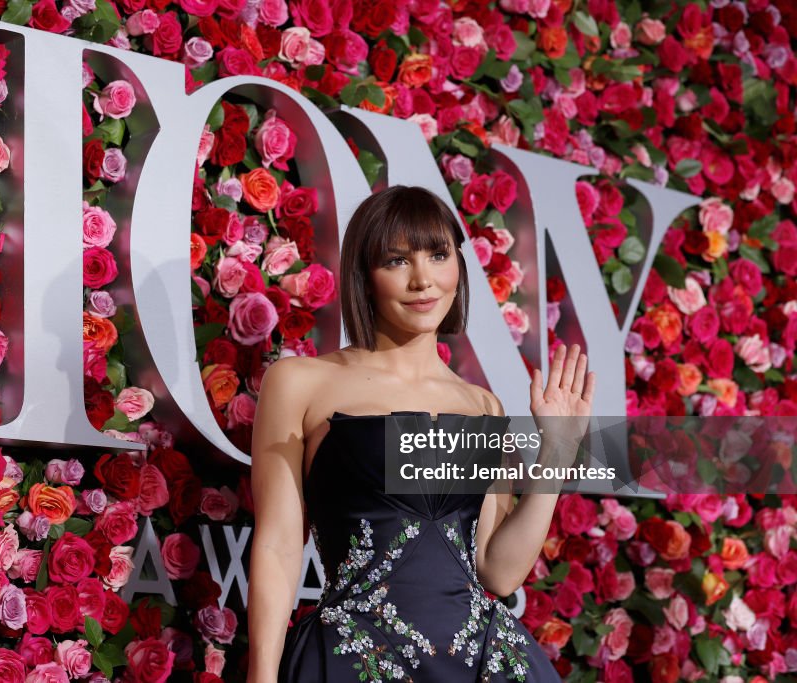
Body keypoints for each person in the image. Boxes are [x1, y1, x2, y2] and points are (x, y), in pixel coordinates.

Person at [246, 185, 596, 682]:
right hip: (356, 659)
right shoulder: (300, 383)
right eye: (396, 261)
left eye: (438, 255)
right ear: (365, 276)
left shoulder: (482, 405)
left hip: (483, 662)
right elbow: (279, 546)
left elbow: (499, 570)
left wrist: (557, 452)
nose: (422, 280)